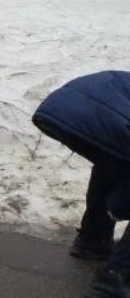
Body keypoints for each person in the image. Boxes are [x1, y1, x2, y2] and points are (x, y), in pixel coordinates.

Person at [33, 71, 130, 298]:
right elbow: (120, 204)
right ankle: (114, 284)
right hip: (94, 112)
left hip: (72, 104)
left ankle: (93, 240)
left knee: (112, 164)